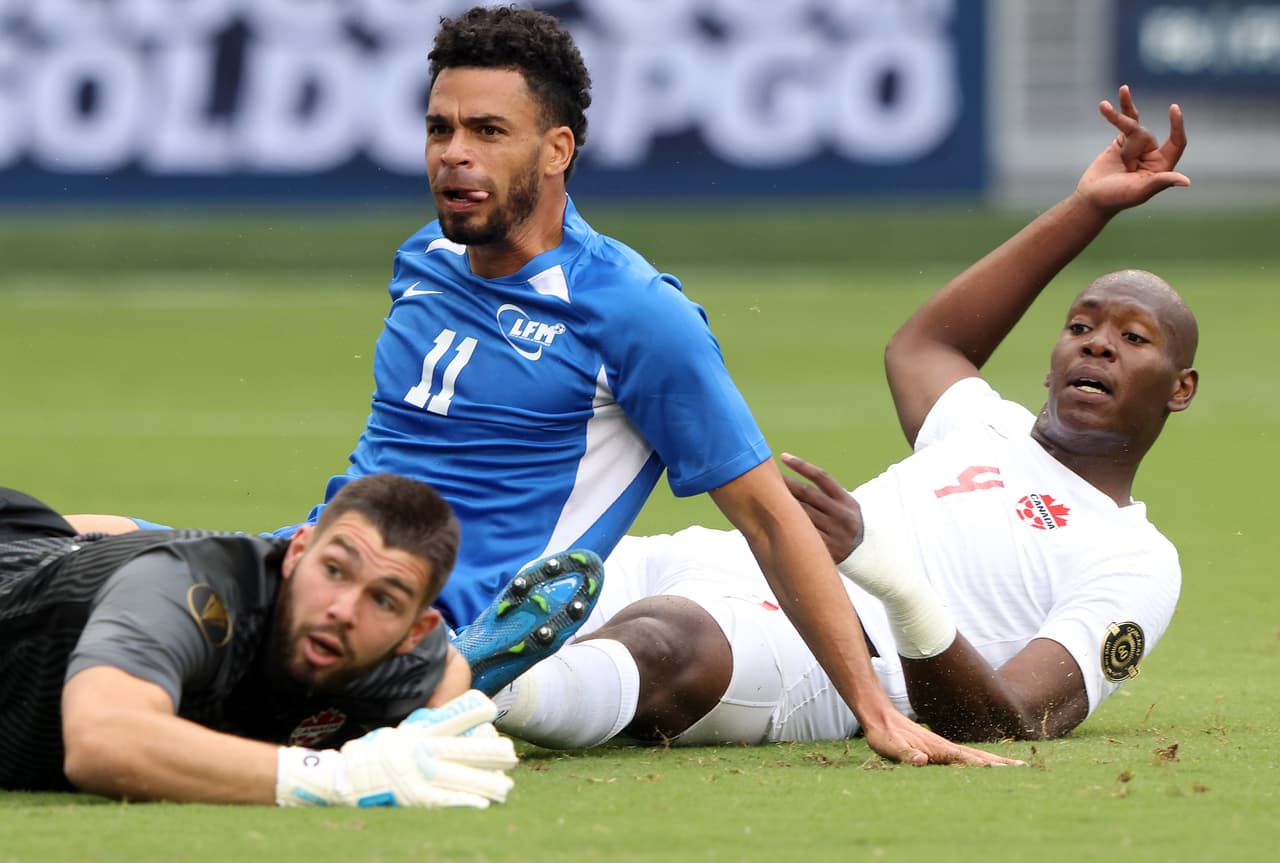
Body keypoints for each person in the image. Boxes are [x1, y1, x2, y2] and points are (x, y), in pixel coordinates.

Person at [220, 5, 1007, 766]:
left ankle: (450, 688)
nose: (453, 154)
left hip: (421, 628)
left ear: (558, 148)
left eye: (488, 132)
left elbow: (770, 519)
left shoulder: (634, 314)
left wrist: (874, 709)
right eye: (439, 129)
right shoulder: (424, 257)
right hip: (302, 569)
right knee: (100, 549)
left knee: (141, 700)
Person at [480, 85, 1197, 750]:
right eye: (1080, 325)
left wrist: (885, 573)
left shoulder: (1136, 559)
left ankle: (474, 700)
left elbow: (1009, 716)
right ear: (1051, 360)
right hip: (735, 556)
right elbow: (926, 345)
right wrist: (1088, 208)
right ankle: (417, 679)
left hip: (832, 654)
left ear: (1180, 388)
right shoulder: (985, 426)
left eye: (1134, 339)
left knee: (665, 644)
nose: (1098, 342)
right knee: (510, 578)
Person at [0, 473, 528, 807]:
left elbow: (446, 671)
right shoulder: (193, 593)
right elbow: (103, 743)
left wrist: (438, 724)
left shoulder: (396, 654)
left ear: (415, 632)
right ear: (297, 551)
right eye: (335, 570)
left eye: (384, 600)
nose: (344, 610)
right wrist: (338, 777)